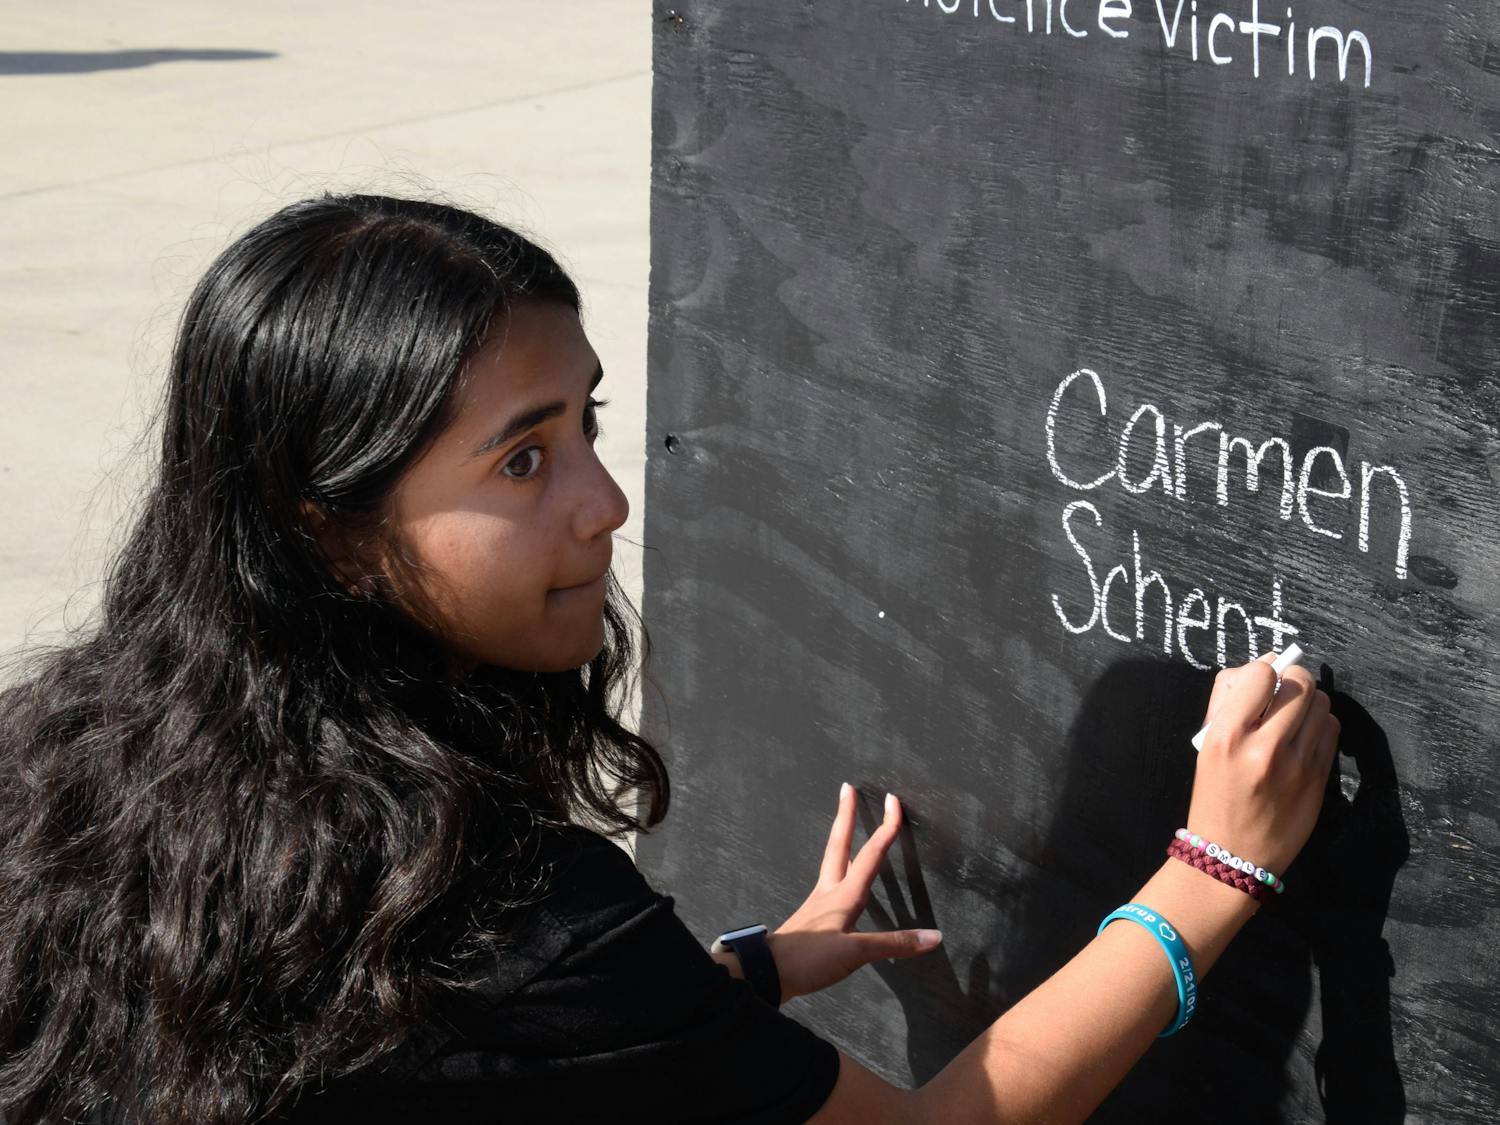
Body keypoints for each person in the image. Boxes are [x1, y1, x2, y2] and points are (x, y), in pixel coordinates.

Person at [0, 193, 1339, 1125]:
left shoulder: (66, 762)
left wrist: (725, 981)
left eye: (588, 422)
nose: (605, 501)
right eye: (523, 459)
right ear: (334, 534)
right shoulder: (498, 906)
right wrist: (1213, 871)